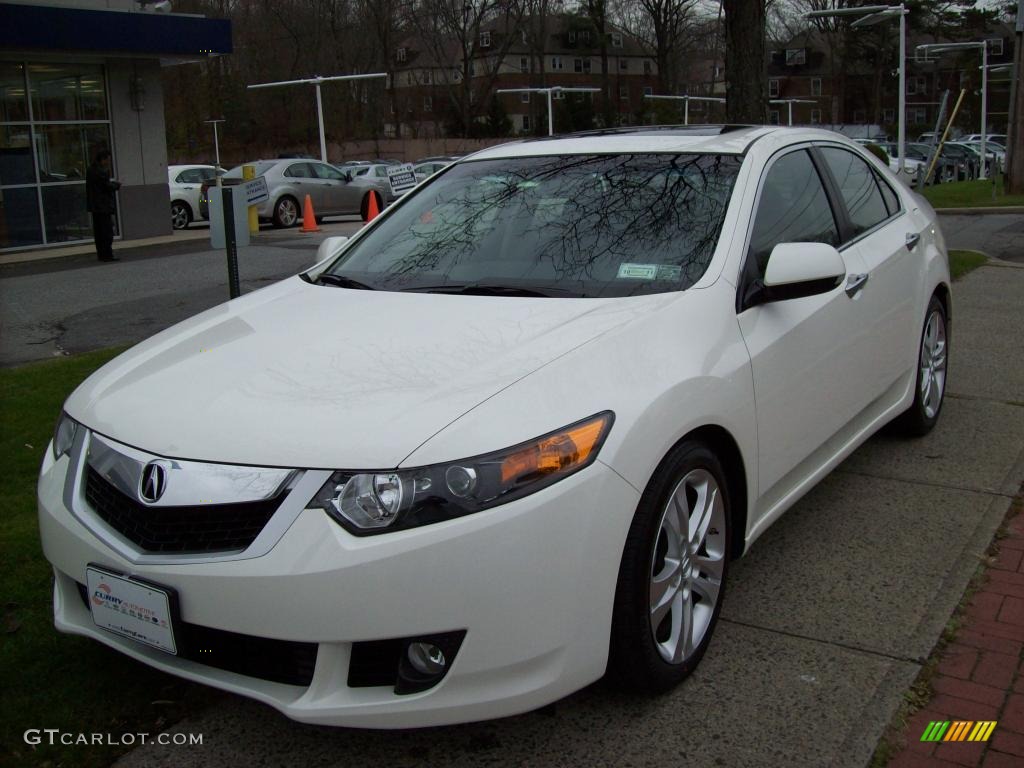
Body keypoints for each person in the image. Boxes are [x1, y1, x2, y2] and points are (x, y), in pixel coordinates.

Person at [86, 149, 121, 262]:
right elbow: (106, 186)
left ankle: (101, 254)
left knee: (99, 232)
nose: (108, 162)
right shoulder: (101, 172)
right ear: (103, 159)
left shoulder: (90, 170)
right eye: (107, 160)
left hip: (95, 206)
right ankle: (107, 254)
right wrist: (117, 185)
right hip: (103, 206)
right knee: (106, 232)